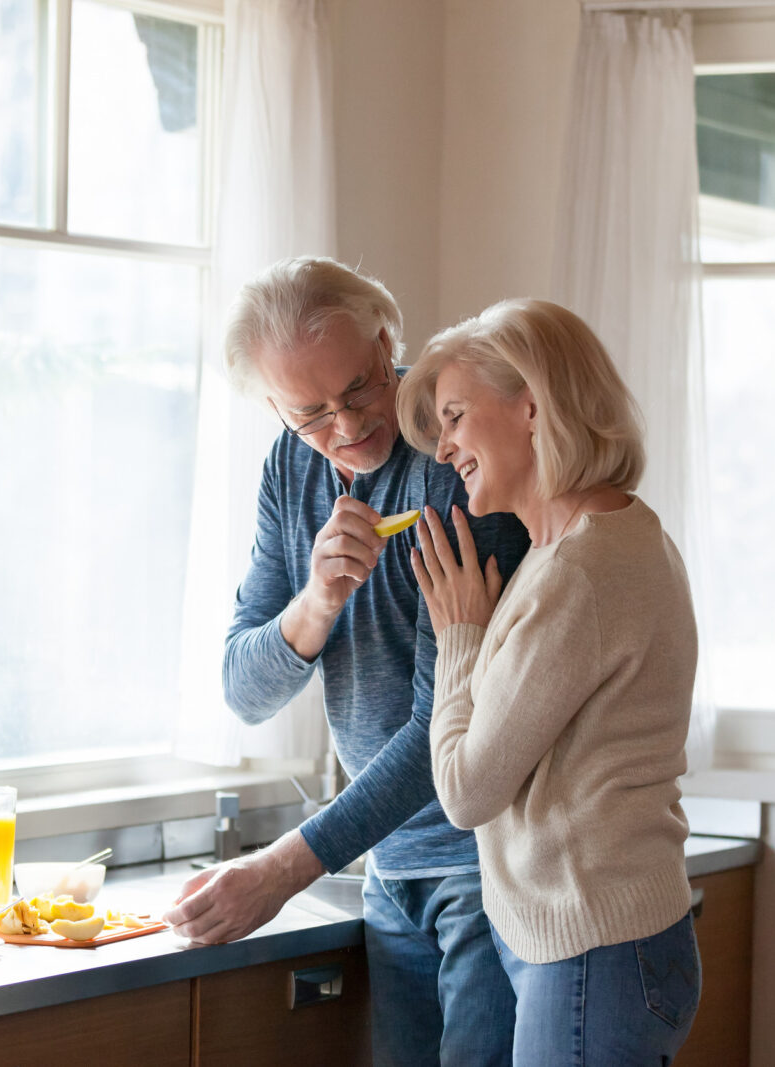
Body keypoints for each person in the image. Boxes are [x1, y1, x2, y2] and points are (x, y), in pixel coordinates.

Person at [162, 257, 528, 1066]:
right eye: (312, 412)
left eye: (362, 388)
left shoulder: (455, 462)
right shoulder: (288, 468)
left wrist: (283, 867)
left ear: (388, 339)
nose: (348, 424)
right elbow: (243, 690)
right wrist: (316, 603)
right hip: (388, 867)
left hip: (487, 866)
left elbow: (445, 731)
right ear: (273, 408)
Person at [398, 297, 702, 1064]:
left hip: (595, 951)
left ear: (530, 406)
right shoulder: (603, 537)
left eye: (457, 416)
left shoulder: (577, 572)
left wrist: (459, 636)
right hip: (617, 943)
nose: (445, 448)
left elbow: (466, 791)